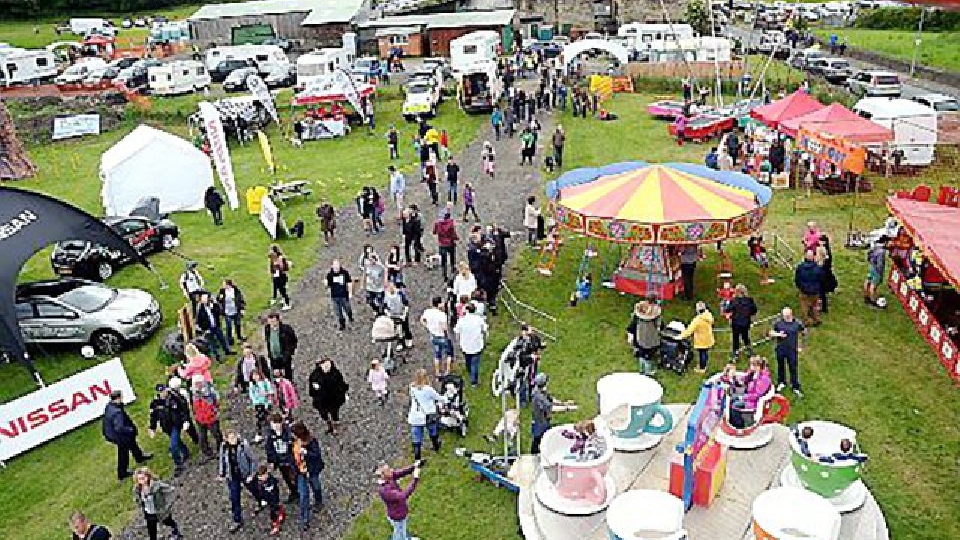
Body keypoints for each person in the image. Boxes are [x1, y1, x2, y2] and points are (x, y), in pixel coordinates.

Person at [102, 390, 152, 480]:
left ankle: (139, 457)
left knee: (133, 444)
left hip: (112, 433)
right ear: (117, 398)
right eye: (121, 397)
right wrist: (130, 430)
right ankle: (122, 472)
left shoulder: (110, 406)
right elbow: (119, 427)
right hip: (120, 435)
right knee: (123, 453)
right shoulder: (117, 412)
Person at [218, 430, 260, 532]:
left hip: (245, 473)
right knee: (234, 497)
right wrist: (222, 473)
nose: (233, 440)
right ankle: (237, 519)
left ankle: (262, 499)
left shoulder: (243, 445)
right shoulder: (224, 447)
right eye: (230, 438)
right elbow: (222, 460)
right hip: (232, 476)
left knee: (254, 488)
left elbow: (253, 459)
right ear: (226, 439)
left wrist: (252, 474)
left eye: (234, 437)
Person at [148, 384, 191, 476]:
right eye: (161, 392)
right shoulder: (155, 403)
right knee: (176, 441)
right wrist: (152, 428)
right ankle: (185, 452)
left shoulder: (174, 398)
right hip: (166, 426)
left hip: (176, 424)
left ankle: (178, 464)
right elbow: (153, 417)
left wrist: (185, 421)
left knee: (173, 446)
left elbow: (183, 410)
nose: (163, 393)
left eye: (164, 390)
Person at [290, 421, 324, 531]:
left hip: (312, 470)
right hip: (300, 472)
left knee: (316, 486)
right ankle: (305, 519)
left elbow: (316, 455)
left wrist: (305, 452)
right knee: (303, 495)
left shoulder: (311, 441)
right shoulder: (293, 443)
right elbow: (292, 458)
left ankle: (318, 501)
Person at [132, 468, 182, 540]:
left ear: (148, 476)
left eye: (144, 477)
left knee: (168, 521)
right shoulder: (137, 489)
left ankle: (175, 530)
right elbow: (137, 499)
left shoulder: (156, 485)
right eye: (140, 479)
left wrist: (168, 504)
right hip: (149, 513)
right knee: (152, 530)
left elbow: (170, 490)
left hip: (160, 511)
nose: (142, 480)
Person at [407, 369, 446, 460]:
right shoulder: (428, 389)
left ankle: (417, 458)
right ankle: (436, 447)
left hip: (415, 416)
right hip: (428, 415)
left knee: (417, 438)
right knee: (433, 431)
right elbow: (439, 398)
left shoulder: (412, 388)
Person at [378, 461, 422, 540]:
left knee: (401, 530)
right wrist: (415, 479)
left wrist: (413, 467)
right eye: (388, 470)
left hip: (398, 513)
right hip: (397, 516)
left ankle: (405, 537)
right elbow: (403, 496)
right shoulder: (385, 490)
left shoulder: (389, 478)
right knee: (399, 534)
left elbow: (400, 473)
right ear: (383, 475)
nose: (391, 470)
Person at [264, 413, 300, 504]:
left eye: (276, 424)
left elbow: (293, 443)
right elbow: (269, 449)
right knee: (286, 478)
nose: (275, 426)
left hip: (290, 459)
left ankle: (300, 493)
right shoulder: (270, 435)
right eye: (273, 424)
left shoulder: (288, 432)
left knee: (295, 477)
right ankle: (293, 492)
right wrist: (271, 461)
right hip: (280, 461)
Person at [308, 357, 349, 435]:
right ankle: (329, 424)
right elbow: (312, 388)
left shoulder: (335, 373)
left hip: (334, 399)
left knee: (334, 413)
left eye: (328, 364)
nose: (327, 367)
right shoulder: (315, 375)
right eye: (324, 365)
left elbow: (341, 384)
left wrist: (343, 392)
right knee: (323, 414)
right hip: (321, 400)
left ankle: (336, 427)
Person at [770, 307, 806, 396]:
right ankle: (781, 382)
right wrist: (778, 334)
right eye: (784, 315)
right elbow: (771, 332)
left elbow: (804, 333)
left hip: (792, 350)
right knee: (780, 366)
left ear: (791, 314)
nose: (785, 317)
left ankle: (795, 386)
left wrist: (801, 346)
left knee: (793, 368)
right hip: (781, 349)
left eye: (786, 316)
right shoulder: (778, 323)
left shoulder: (797, 323)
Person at [729, 357, 772, 428]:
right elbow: (744, 380)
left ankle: (739, 426)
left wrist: (742, 397)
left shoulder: (764, 379)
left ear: (758, 367)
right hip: (748, 396)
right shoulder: (754, 374)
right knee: (731, 398)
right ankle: (732, 422)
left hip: (753, 401)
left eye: (752, 365)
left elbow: (757, 395)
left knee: (734, 406)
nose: (750, 367)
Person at [454, 302, 488, 386]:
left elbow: (457, 332)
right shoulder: (479, 319)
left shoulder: (462, 320)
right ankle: (474, 381)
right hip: (477, 345)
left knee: (468, 361)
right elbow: (485, 330)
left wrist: (458, 341)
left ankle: (470, 373)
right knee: (475, 363)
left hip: (465, 345)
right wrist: (485, 339)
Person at [677, 301, 716, 373]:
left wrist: (680, 336)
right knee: (705, 353)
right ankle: (704, 365)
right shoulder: (708, 315)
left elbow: (689, 330)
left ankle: (702, 368)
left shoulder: (697, 320)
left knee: (702, 354)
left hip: (701, 340)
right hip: (708, 337)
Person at [421, 296, 454, 377]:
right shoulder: (442, 315)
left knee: (437, 355)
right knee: (449, 354)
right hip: (442, 336)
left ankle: (437, 372)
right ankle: (447, 371)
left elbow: (422, 320)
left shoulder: (427, 312)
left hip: (433, 335)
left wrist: (427, 327)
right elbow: (445, 327)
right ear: (439, 304)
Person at [627, 300, 661, 375]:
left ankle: (642, 369)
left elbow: (631, 328)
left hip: (640, 341)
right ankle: (648, 372)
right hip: (649, 342)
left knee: (642, 356)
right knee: (647, 358)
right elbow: (660, 327)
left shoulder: (637, 319)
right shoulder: (653, 320)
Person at [724, 284, 758, 360]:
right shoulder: (749, 300)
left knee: (735, 338)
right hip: (746, 322)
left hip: (736, 323)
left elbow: (727, 309)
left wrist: (727, 303)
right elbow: (754, 310)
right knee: (745, 337)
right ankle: (749, 351)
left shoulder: (734, 300)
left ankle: (735, 354)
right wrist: (748, 314)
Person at [195, 292, 232, 360]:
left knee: (222, 339)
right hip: (208, 329)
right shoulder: (200, 310)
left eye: (207, 298)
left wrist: (213, 307)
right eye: (205, 299)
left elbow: (219, 312)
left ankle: (227, 351)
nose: (207, 300)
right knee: (213, 344)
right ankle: (217, 357)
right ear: (202, 300)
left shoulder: (212, 305)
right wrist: (205, 329)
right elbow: (199, 322)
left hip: (216, 326)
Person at [191, 381, 223, 459]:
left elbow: (216, 401)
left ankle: (221, 449)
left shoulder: (209, 392)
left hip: (211, 418)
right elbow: (194, 408)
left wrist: (215, 412)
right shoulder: (194, 395)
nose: (198, 386)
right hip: (201, 419)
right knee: (203, 437)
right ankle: (207, 452)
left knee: (217, 434)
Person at [253, 464, 287, 535]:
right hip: (267, 498)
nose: (261, 478)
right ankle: (281, 513)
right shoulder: (259, 482)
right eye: (259, 477)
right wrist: (262, 499)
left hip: (273, 499)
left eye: (262, 476)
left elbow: (274, 491)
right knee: (275, 509)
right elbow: (260, 491)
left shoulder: (271, 481)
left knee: (273, 512)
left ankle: (276, 526)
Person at [794, 250, 824, 326]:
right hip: (815, 291)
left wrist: (800, 287)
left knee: (804, 305)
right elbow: (821, 279)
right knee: (814, 305)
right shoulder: (818, 268)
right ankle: (816, 319)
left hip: (804, 290)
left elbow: (797, 279)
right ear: (813, 257)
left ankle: (806, 320)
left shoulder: (800, 267)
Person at [264, 313, 297, 380]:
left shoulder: (286, 329)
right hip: (274, 357)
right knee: (276, 375)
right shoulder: (267, 329)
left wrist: (290, 352)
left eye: (273, 321)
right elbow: (268, 341)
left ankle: (290, 386)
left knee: (288, 374)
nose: (271, 324)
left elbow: (294, 340)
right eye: (270, 322)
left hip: (285, 356)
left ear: (278, 320)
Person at [530, 373, 556, 454]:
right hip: (540, 422)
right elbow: (549, 407)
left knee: (543, 439)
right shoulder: (538, 396)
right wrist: (567, 408)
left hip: (544, 421)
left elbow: (551, 400)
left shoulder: (541, 392)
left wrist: (565, 403)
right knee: (539, 440)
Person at [217, 279, 246, 348]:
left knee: (238, 324)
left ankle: (239, 337)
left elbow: (241, 299)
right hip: (227, 312)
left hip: (236, 311)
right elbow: (218, 299)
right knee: (229, 327)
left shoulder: (235, 290)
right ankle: (230, 340)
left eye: (224, 284)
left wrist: (242, 309)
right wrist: (220, 298)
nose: (223, 286)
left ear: (228, 285)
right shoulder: (222, 291)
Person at [248, 370, 275, 443]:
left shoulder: (265, 382)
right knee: (259, 418)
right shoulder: (252, 385)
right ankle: (259, 434)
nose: (255, 377)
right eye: (254, 376)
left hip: (266, 402)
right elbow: (252, 395)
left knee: (268, 417)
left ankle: (272, 431)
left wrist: (267, 394)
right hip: (258, 404)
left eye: (257, 375)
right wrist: (256, 402)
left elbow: (271, 391)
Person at [433, 211, 458, 282]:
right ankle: (453, 268)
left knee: (443, 261)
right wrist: (456, 238)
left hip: (442, 244)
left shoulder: (437, 223)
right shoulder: (451, 223)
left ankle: (444, 275)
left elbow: (434, 232)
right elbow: (453, 233)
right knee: (452, 256)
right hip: (450, 243)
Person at [816, 235, 838, 314]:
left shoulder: (822, 250)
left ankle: (823, 306)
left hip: (823, 272)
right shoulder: (826, 249)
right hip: (826, 272)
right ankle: (823, 305)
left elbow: (821, 260)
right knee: (822, 290)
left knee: (821, 290)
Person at [865, 236, 888, 306]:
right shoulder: (882, 251)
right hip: (877, 270)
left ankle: (866, 296)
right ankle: (872, 301)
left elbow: (869, 256)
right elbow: (880, 264)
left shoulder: (874, 247)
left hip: (872, 267)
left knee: (868, 281)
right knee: (873, 285)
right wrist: (880, 272)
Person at [363, 252, 388, 316]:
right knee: (370, 301)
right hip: (370, 287)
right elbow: (365, 273)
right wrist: (364, 283)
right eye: (369, 259)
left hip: (379, 288)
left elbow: (386, 272)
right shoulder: (367, 265)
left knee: (380, 302)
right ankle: (376, 309)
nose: (370, 261)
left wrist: (385, 282)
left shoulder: (380, 266)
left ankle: (381, 313)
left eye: (372, 260)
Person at [268, 245, 292, 311]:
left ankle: (288, 303)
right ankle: (283, 300)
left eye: (272, 252)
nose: (271, 253)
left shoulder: (281, 258)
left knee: (283, 290)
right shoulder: (272, 259)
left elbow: (285, 268)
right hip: (276, 277)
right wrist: (273, 272)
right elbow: (271, 269)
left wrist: (279, 267)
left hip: (282, 277)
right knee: (279, 290)